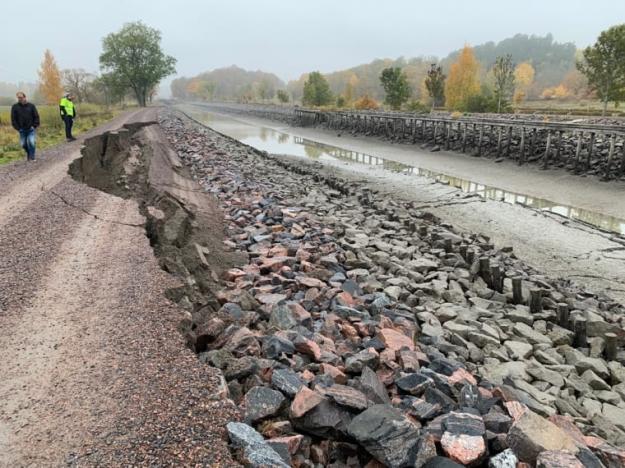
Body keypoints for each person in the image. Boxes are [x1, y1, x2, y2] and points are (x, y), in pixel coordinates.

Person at [10, 92, 40, 162]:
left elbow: (36, 116)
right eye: (18, 98)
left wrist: (34, 125)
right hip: (21, 129)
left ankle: (32, 157)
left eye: (21, 97)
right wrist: (17, 128)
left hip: (31, 128)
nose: (20, 99)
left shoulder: (31, 106)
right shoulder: (15, 107)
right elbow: (13, 119)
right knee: (23, 144)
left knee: (31, 142)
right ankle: (29, 153)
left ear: (25, 97)